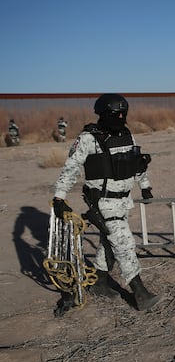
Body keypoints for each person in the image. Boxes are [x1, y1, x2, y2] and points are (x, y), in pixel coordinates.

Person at [51, 93, 161, 311]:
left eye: (123, 114)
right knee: (124, 244)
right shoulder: (88, 138)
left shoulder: (127, 135)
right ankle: (140, 292)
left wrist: (145, 185)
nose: (120, 117)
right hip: (103, 203)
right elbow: (71, 167)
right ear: (103, 113)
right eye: (115, 114)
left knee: (109, 243)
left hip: (123, 202)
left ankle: (100, 282)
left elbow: (135, 163)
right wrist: (59, 197)